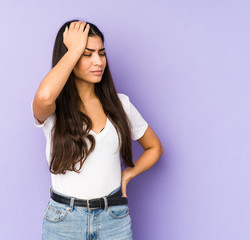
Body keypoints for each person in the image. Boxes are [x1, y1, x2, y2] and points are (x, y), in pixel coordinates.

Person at [31, 19, 164, 240]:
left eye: (101, 53)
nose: (98, 61)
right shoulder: (55, 109)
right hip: (64, 221)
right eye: (87, 53)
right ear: (69, 56)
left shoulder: (120, 105)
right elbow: (44, 97)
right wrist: (74, 49)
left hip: (114, 218)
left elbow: (155, 147)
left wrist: (127, 175)